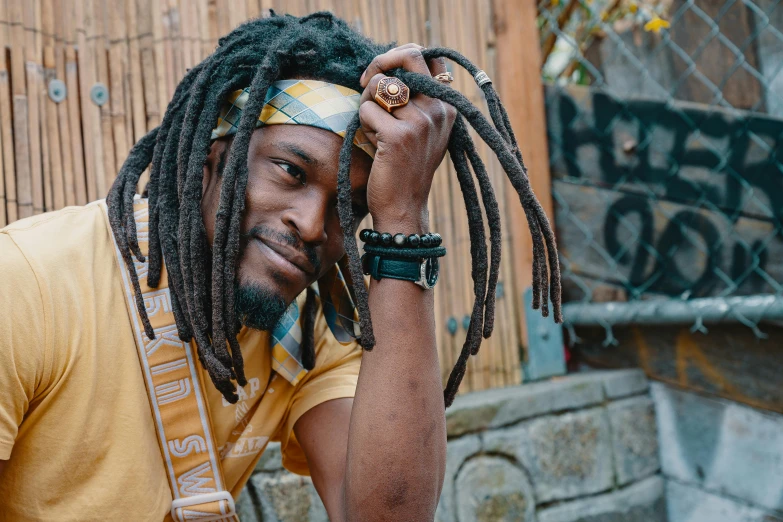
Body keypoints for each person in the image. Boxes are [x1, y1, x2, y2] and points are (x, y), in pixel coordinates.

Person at [0, 11, 560, 522]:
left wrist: (403, 220)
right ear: (210, 159)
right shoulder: (29, 284)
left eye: (350, 207)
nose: (315, 225)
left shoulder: (311, 329)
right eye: (291, 171)